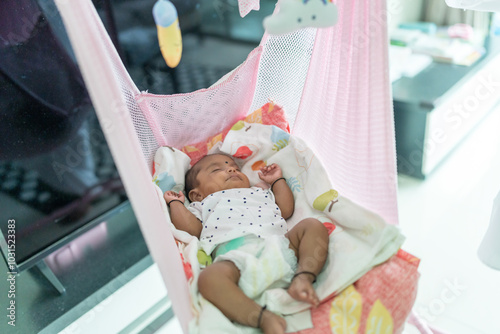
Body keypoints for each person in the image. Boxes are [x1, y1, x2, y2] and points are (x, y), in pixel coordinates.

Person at [164, 153, 329, 334]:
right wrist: (176, 204)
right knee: (209, 278)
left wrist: (277, 181)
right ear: (197, 195)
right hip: (236, 260)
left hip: (279, 246)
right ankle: (262, 317)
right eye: (217, 169)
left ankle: (303, 278)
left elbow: (285, 209)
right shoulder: (203, 205)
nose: (231, 169)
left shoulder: (258, 191)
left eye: (234, 167)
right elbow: (191, 230)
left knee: (312, 226)